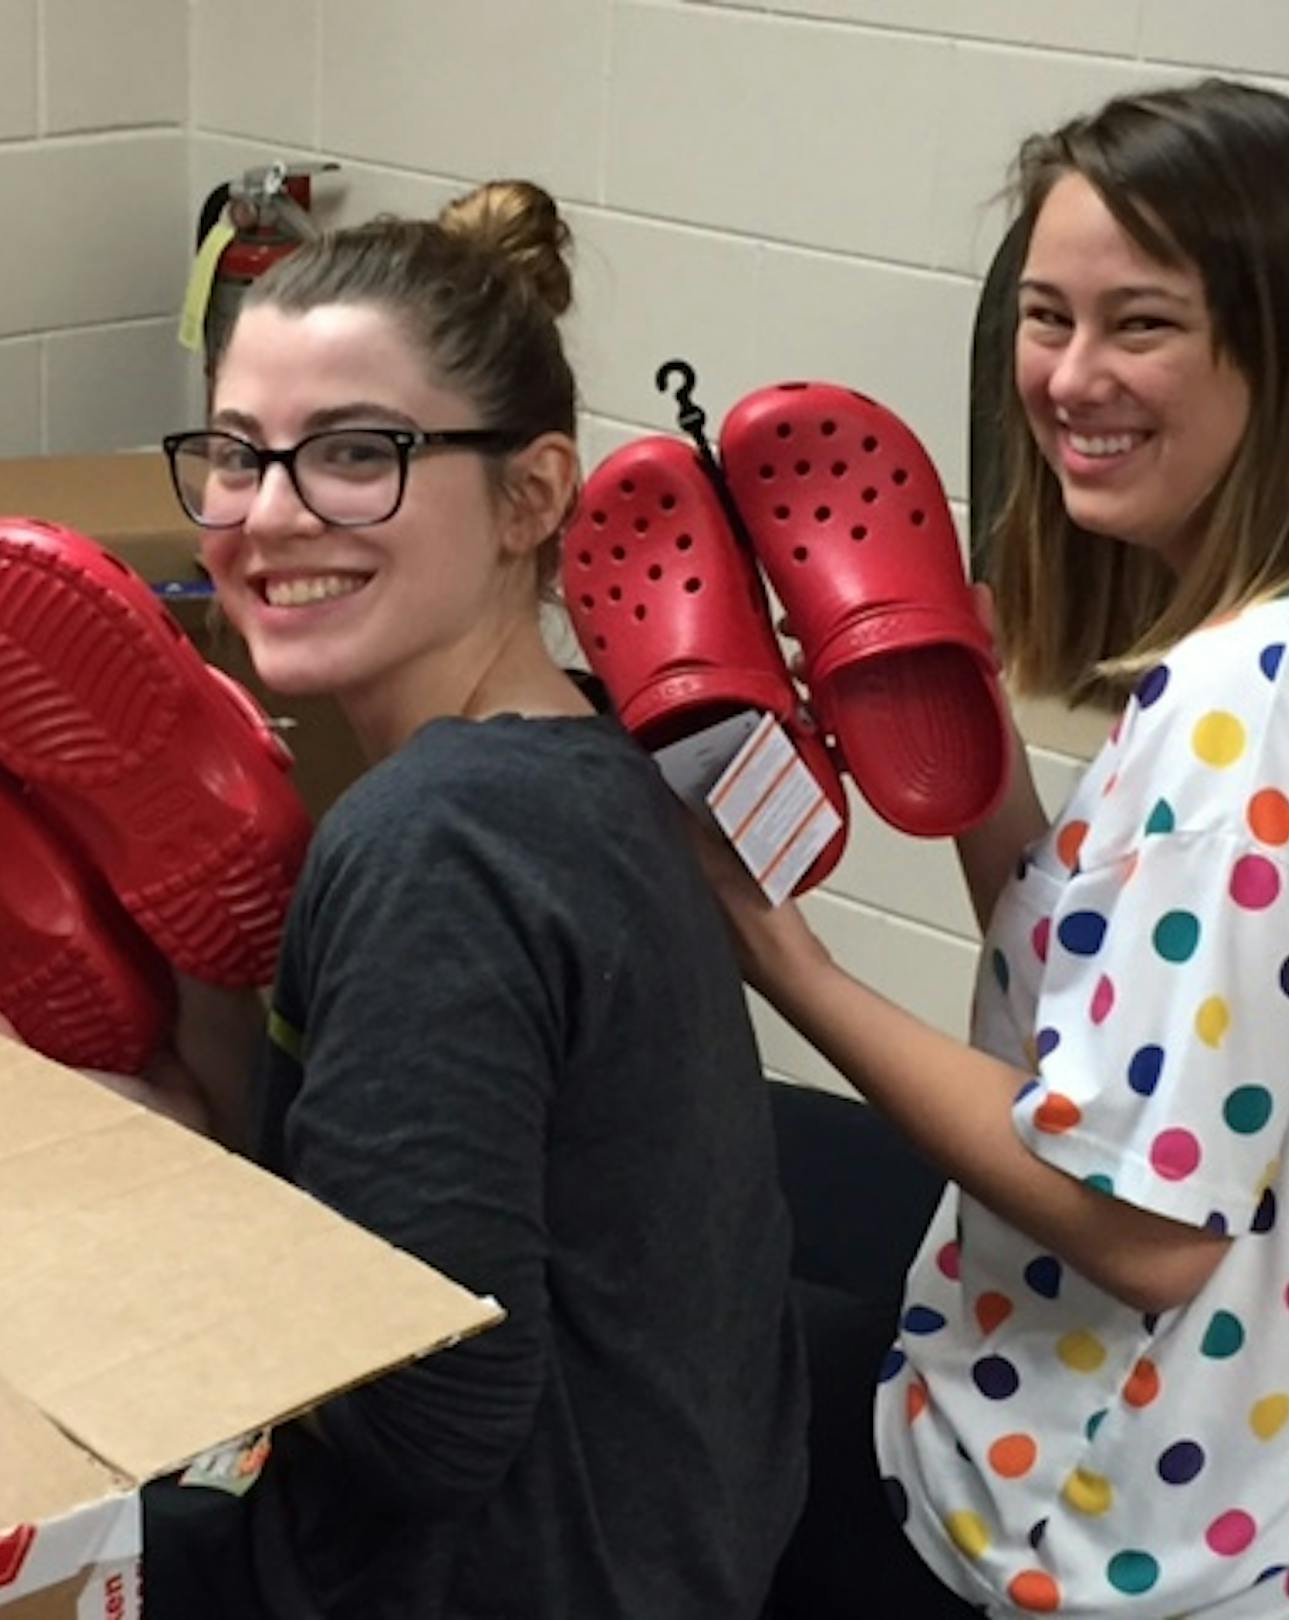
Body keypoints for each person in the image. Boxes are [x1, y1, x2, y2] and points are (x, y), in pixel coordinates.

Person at [714, 81, 1289, 1618]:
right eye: (1043, 316)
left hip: (1094, 1533)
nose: (1069, 378)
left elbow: (1140, 1225)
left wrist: (777, 955)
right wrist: (947, 726)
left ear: (1279, 352)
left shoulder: (1251, 723)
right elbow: (1130, 989)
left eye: (1139, 325)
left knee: (662, 1331)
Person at [141, 181, 810, 1619]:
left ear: (531, 496)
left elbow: (426, 1423)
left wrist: (143, 1199)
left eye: (356, 455)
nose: (268, 515)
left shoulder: (432, 842)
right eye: (236, 457)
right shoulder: (587, 749)